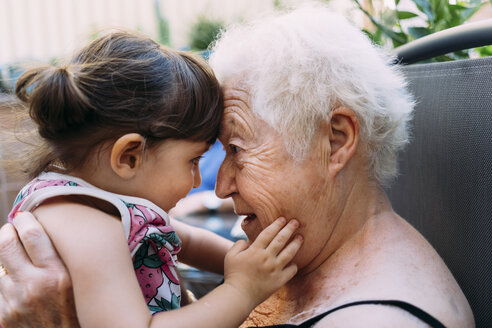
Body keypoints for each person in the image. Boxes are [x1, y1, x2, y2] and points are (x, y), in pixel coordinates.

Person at [0, 5, 475, 328]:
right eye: (206, 155)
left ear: (336, 141)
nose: (219, 184)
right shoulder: (310, 255)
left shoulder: (376, 317)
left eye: (237, 150)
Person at [0, 31, 303, 328]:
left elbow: (191, 241)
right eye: (193, 161)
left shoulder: (110, 208)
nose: (198, 180)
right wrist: (242, 289)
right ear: (129, 157)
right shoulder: (86, 226)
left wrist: (259, 263)